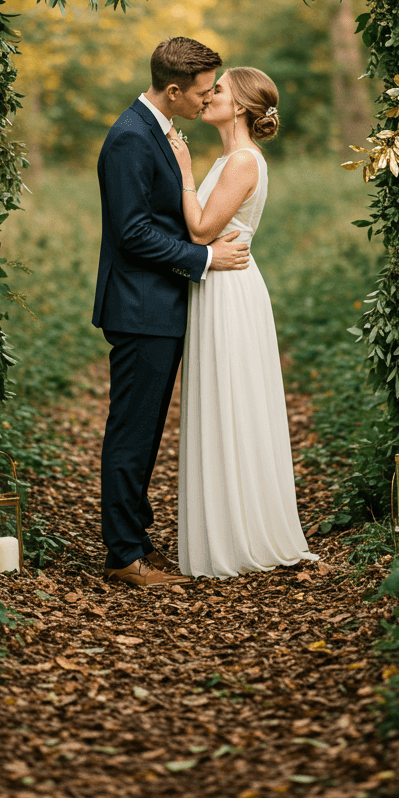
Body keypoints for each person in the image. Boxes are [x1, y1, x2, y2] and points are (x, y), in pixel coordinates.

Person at [93, 38, 253, 588]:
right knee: (132, 433)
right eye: (205, 91)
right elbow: (133, 233)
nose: (209, 98)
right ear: (174, 90)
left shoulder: (155, 131)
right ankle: (123, 556)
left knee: (147, 430)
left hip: (158, 305)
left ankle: (137, 538)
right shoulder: (129, 140)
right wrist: (206, 256)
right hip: (140, 306)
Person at [168, 67, 319, 578]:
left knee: (232, 400)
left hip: (229, 289)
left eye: (219, 91)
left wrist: (185, 173)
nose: (208, 96)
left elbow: (203, 227)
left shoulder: (242, 161)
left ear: (239, 107)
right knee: (221, 400)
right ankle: (226, 527)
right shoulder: (232, 158)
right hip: (218, 282)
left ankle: (242, 534)